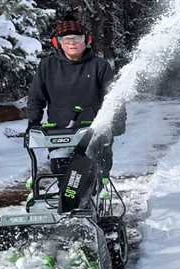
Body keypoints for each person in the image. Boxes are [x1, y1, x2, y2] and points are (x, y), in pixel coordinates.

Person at [27, 14, 118, 178]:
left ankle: (94, 197)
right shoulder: (48, 66)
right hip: (59, 133)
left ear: (86, 40)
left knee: (93, 178)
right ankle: (68, 203)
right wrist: (33, 122)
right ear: (58, 43)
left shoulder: (99, 66)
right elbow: (36, 97)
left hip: (93, 131)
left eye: (76, 38)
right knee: (65, 180)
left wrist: (116, 125)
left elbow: (114, 98)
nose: (72, 43)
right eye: (66, 40)